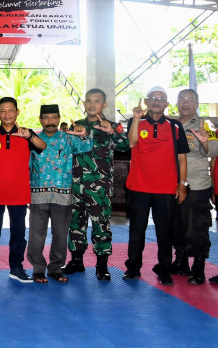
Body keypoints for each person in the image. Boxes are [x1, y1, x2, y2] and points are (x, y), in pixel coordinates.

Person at [124, 86, 189, 285]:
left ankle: (164, 269)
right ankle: (133, 267)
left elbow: (182, 158)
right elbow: (131, 143)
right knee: (136, 230)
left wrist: (182, 184)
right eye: (152, 97)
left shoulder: (175, 126)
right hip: (138, 186)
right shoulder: (135, 121)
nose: (156, 101)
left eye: (161, 98)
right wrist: (136, 118)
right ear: (146, 101)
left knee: (165, 232)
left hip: (166, 189)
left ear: (167, 104)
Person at [62, 88, 129, 280]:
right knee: (76, 224)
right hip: (76, 185)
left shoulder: (111, 126)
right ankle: (76, 261)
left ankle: (102, 266)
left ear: (104, 104)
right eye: (89, 101)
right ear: (84, 103)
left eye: (97, 101)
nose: (92, 104)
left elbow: (125, 145)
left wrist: (112, 132)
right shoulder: (76, 125)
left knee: (101, 225)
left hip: (99, 187)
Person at [0, 97, 47, 284]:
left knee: (18, 233)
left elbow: (43, 146)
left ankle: (16, 268)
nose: (7, 114)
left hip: (19, 193)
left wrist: (29, 136)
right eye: (3, 110)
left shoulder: (26, 134)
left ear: (17, 112)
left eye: (11, 110)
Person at [27, 104, 92, 283]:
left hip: (63, 195)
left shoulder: (68, 139)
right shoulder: (32, 140)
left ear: (59, 119)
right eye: (46, 118)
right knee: (36, 234)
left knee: (61, 234)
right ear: (40, 120)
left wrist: (83, 134)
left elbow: (87, 146)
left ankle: (55, 268)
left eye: (54, 117)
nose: (51, 121)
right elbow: (26, 166)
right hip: (38, 194)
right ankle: (38, 269)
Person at [172, 89, 216, 285]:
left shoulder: (205, 124)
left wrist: (205, 143)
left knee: (196, 227)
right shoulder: (171, 124)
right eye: (182, 99)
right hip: (172, 184)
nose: (185, 103)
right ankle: (181, 262)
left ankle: (198, 267)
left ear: (197, 104)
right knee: (176, 225)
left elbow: (214, 151)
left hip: (196, 184)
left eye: (190, 100)